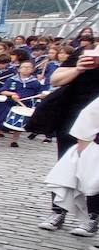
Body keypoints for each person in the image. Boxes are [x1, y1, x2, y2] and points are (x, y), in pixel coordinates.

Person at [39, 47, 99, 234]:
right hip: (72, 117)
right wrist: (78, 69)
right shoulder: (85, 53)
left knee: (95, 169)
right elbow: (55, 80)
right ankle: (58, 211)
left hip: (96, 120)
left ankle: (92, 216)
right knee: (66, 164)